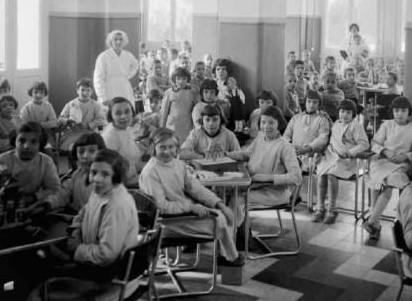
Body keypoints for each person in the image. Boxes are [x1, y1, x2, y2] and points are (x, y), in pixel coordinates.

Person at [29, 150, 140, 301]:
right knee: (43, 256)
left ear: (116, 176)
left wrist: (76, 248)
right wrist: (75, 232)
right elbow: (82, 214)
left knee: (37, 281)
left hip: (107, 275)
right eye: (93, 172)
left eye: (105, 174)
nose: (96, 179)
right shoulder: (100, 192)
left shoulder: (116, 205)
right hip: (95, 261)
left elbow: (106, 255)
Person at [140, 128, 243, 265]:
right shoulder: (151, 172)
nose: (167, 151)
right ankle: (229, 259)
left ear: (177, 148)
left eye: (171, 147)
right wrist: (191, 207)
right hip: (166, 223)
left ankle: (228, 257)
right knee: (219, 220)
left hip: (182, 214)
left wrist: (220, 204)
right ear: (154, 148)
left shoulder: (178, 164)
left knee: (222, 213)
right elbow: (161, 207)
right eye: (162, 147)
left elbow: (196, 188)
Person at [227, 106, 302, 227]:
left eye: (271, 122)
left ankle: (229, 237)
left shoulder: (285, 147)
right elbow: (246, 154)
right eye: (263, 122)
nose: (266, 126)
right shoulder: (260, 138)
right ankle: (235, 231)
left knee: (237, 198)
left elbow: (297, 177)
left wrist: (266, 177)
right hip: (254, 186)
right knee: (226, 192)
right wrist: (226, 154)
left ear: (279, 124)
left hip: (273, 193)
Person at [365, 96, 412, 240]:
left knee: (390, 183)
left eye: (403, 110)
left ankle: (372, 221)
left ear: (409, 112)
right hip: (382, 161)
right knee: (377, 184)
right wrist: (385, 151)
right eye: (396, 110)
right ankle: (374, 224)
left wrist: (406, 156)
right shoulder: (386, 125)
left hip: (400, 165)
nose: (399, 114)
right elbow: (375, 143)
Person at [0, 122, 60, 201]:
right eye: (22, 141)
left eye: (34, 141)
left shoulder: (46, 161)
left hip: (31, 205)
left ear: (41, 144)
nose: (26, 146)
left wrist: (34, 197)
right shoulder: (4, 158)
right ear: (15, 141)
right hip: (2, 202)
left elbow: (54, 189)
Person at [314, 100, 369, 224]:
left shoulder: (356, 126)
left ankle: (332, 209)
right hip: (331, 157)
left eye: (348, 112)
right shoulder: (336, 124)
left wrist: (351, 152)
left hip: (346, 161)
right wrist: (321, 152)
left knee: (331, 176)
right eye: (342, 111)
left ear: (353, 114)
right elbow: (330, 141)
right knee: (321, 175)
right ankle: (320, 207)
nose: (344, 115)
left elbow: (364, 144)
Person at [36, 133, 107, 214]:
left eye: (92, 151)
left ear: (102, 152)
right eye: (81, 151)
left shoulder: (106, 181)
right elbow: (64, 194)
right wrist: (47, 204)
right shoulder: (77, 174)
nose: (85, 156)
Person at [283, 89, 331, 170]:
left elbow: (323, 138)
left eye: (315, 102)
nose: (311, 105)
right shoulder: (296, 118)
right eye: (309, 101)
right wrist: (291, 148)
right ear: (305, 102)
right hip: (294, 153)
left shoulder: (322, 119)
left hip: (311, 156)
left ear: (319, 104)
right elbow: (286, 136)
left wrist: (307, 149)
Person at [58, 77, 107, 152]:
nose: (85, 93)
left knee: (90, 145)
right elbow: (60, 119)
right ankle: (73, 161)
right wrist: (67, 121)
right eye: (82, 90)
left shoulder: (96, 105)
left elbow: (101, 120)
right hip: (74, 133)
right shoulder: (71, 104)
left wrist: (88, 125)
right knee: (74, 148)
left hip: (89, 133)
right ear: (77, 91)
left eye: (88, 90)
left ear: (92, 92)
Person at [102, 97, 142, 185]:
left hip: (133, 175)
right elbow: (110, 171)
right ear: (111, 116)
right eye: (118, 113)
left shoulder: (126, 129)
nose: (123, 116)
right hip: (122, 184)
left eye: (127, 112)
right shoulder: (110, 136)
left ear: (132, 112)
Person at [93, 29, 139, 105]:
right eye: (115, 39)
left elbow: (135, 64)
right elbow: (98, 78)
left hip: (124, 88)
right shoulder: (103, 56)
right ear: (111, 41)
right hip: (109, 89)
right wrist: (103, 97)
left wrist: (128, 75)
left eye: (121, 39)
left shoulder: (128, 55)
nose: (118, 42)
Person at [159, 67, 199, 144]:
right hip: (172, 126)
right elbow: (164, 112)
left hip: (187, 126)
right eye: (178, 78)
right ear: (174, 79)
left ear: (188, 79)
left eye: (184, 79)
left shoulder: (192, 92)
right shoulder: (169, 92)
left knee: (185, 147)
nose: (181, 81)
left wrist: (196, 127)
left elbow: (196, 111)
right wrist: (162, 128)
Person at [20, 81, 59, 148]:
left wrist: (41, 125)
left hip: (46, 132)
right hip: (31, 132)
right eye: (35, 92)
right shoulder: (26, 108)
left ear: (44, 94)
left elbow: (54, 122)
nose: (38, 95)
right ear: (31, 93)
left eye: (41, 93)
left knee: (49, 149)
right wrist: (36, 127)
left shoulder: (48, 106)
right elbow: (24, 124)